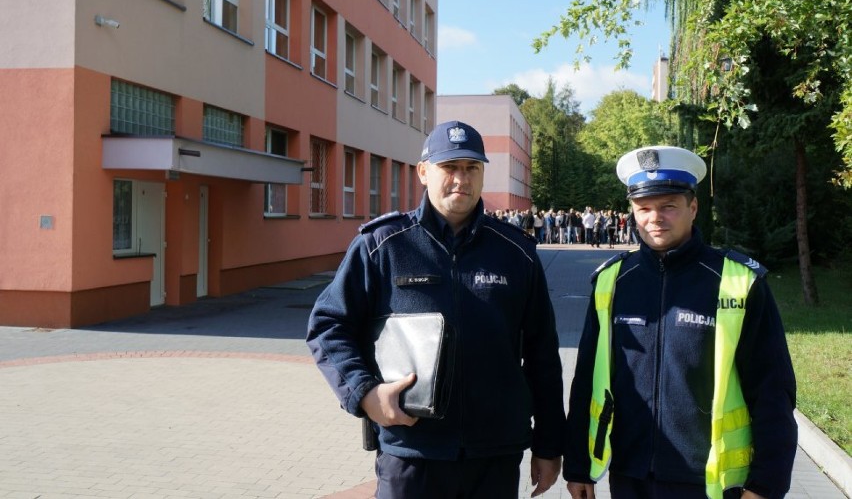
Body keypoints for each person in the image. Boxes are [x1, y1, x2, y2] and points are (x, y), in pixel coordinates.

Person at [306, 120, 565, 498]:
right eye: (450, 167)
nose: (461, 179)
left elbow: (542, 354)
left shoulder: (517, 253)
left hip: (493, 455)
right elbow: (328, 325)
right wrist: (364, 393)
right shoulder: (383, 246)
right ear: (424, 172)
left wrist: (549, 444)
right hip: (412, 452)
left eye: (471, 169)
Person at [563, 145, 797, 499]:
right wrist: (579, 466)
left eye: (668, 206)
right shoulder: (613, 281)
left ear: (693, 207)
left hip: (710, 483)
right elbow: (586, 381)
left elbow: (772, 389)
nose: (655, 218)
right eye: (643, 208)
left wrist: (766, 484)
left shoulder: (737, 282)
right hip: (629, 475)